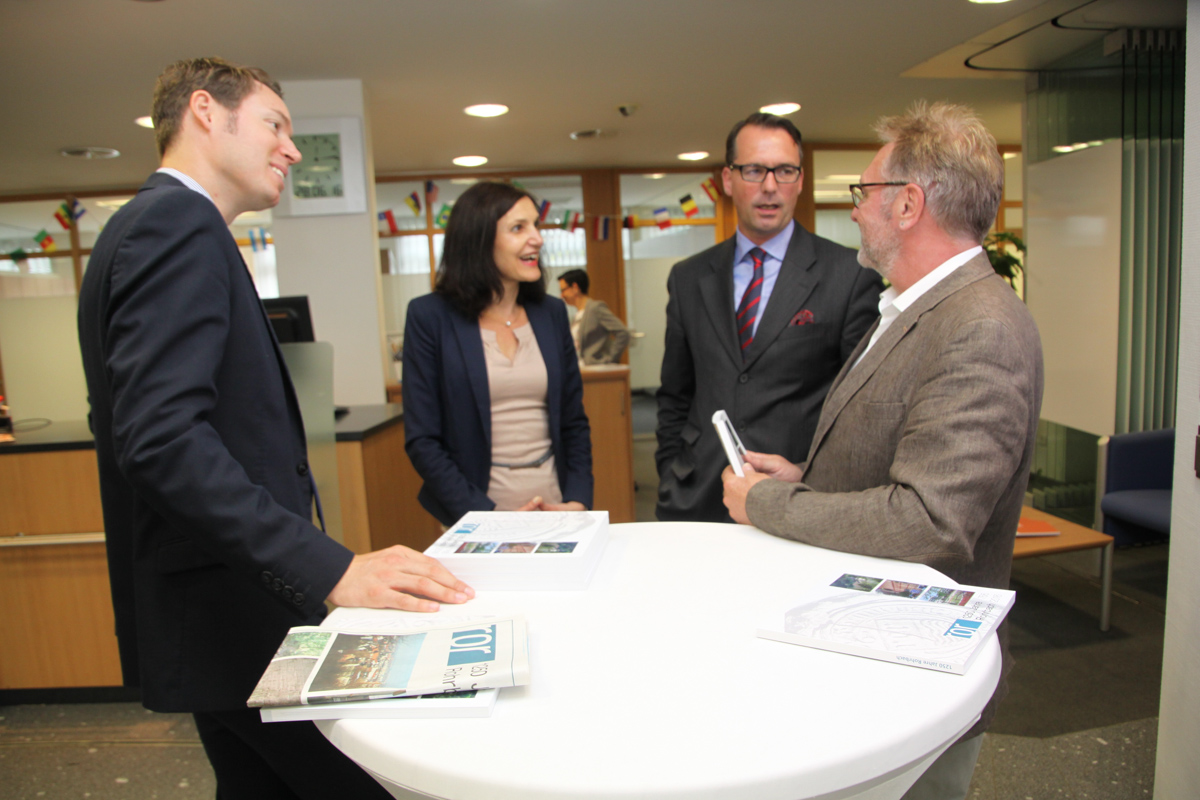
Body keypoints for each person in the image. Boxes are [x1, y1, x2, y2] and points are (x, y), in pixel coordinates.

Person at [76, 57, 473, 800]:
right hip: (236, 616)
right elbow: (161, 440)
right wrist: (332, 568)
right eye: (275, 125)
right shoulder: (175, 225)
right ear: (205, 112)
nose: (292, 149)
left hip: (216, 614)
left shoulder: (154, 227)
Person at [722, 101, 1044, 800]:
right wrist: (809, 475)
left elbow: (930, 519)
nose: (855, 210)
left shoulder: (979, 327)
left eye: (864, 193)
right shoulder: (909, 307)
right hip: (864, 636)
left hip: (913, 671)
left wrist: (773, 503)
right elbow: (902, 456)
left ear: (907, 205)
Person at [655, 112, 883, 523]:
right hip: (697, 495)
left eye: (784, 170)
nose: (769, 187)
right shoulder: (688, 278)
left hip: (795, 497)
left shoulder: (849, 275)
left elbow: (860, 410)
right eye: (754, 170)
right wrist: (670, 471)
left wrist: (814, 480)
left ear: (800, 179)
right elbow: (675, 394)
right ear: (728, 179)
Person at [403, 181, 593, 526]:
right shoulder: (429, 316)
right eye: (518, 228)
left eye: (535, 224)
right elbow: (423, 440)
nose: (537, 237)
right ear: (477, 241)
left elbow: (573, 421)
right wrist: (484, 517)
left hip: (555, 503)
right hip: (475, 512)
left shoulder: (551, 313)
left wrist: (578, 499)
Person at [558, 268, 631, 364]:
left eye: (563, 290)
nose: (561, 295)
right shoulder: (576, 316)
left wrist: (609, 360)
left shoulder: (595, 308)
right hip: (582, 370)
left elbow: (623, 333)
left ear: (575, 288)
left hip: (596, 371)